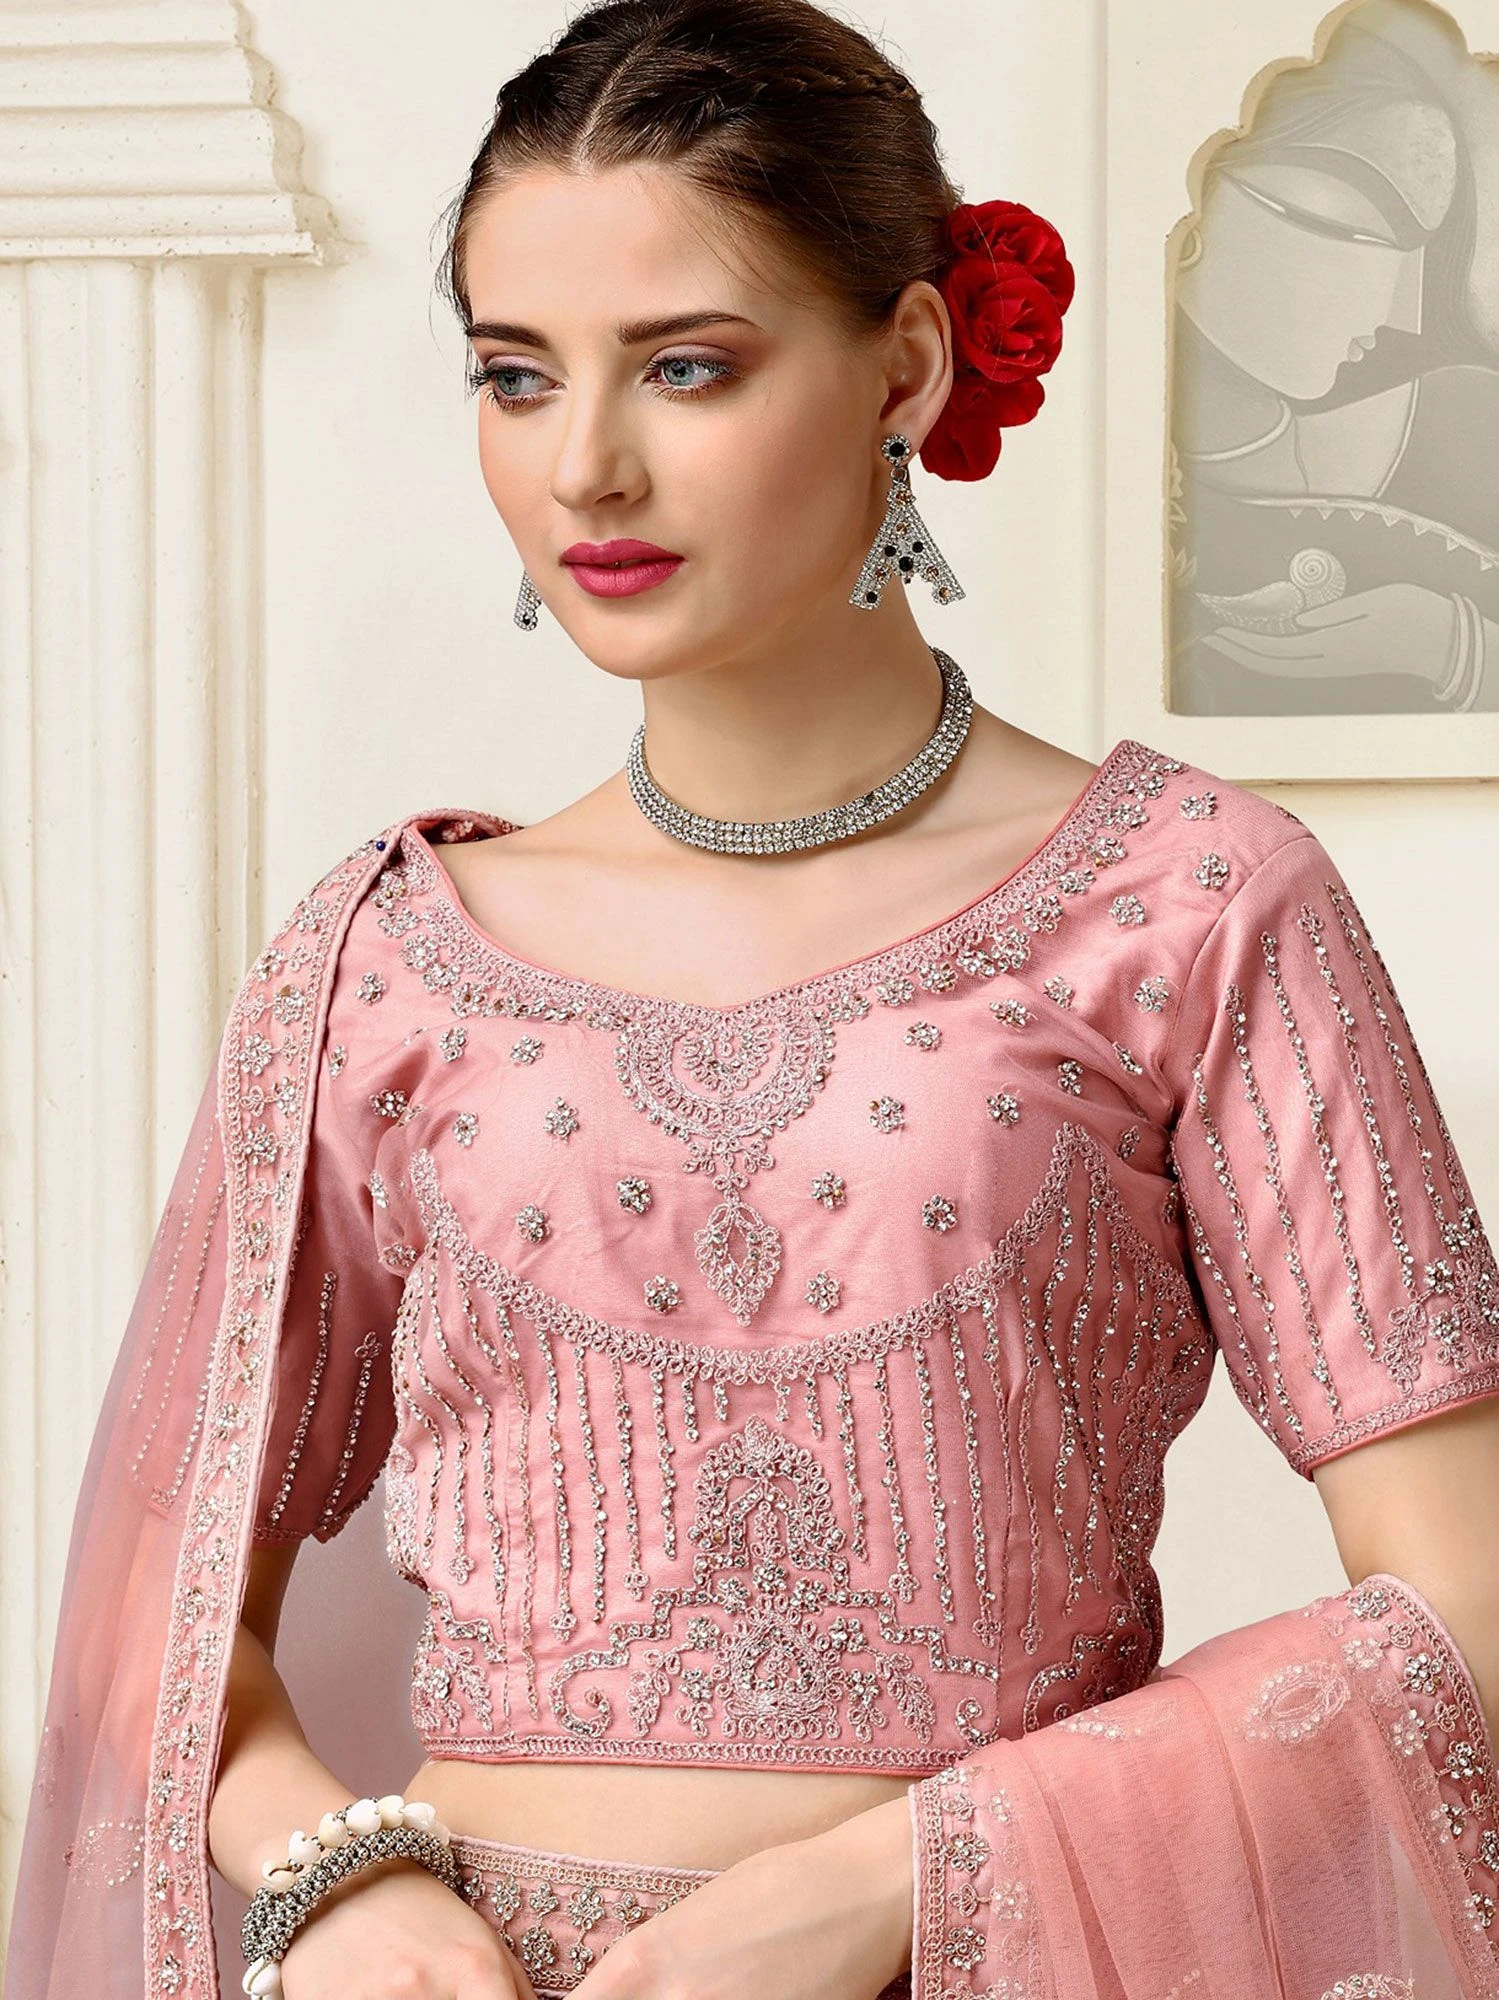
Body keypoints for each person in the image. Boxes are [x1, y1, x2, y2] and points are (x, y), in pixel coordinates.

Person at [6, 1, 1499, 1995]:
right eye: (515, 376)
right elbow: (158, 1611)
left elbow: (1466, 1609)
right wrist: (339, 1880)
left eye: (685, 367)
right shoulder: (388, 959)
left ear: (907, 363)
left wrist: (896, 1881)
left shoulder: (1188, 906)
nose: (585, 465)